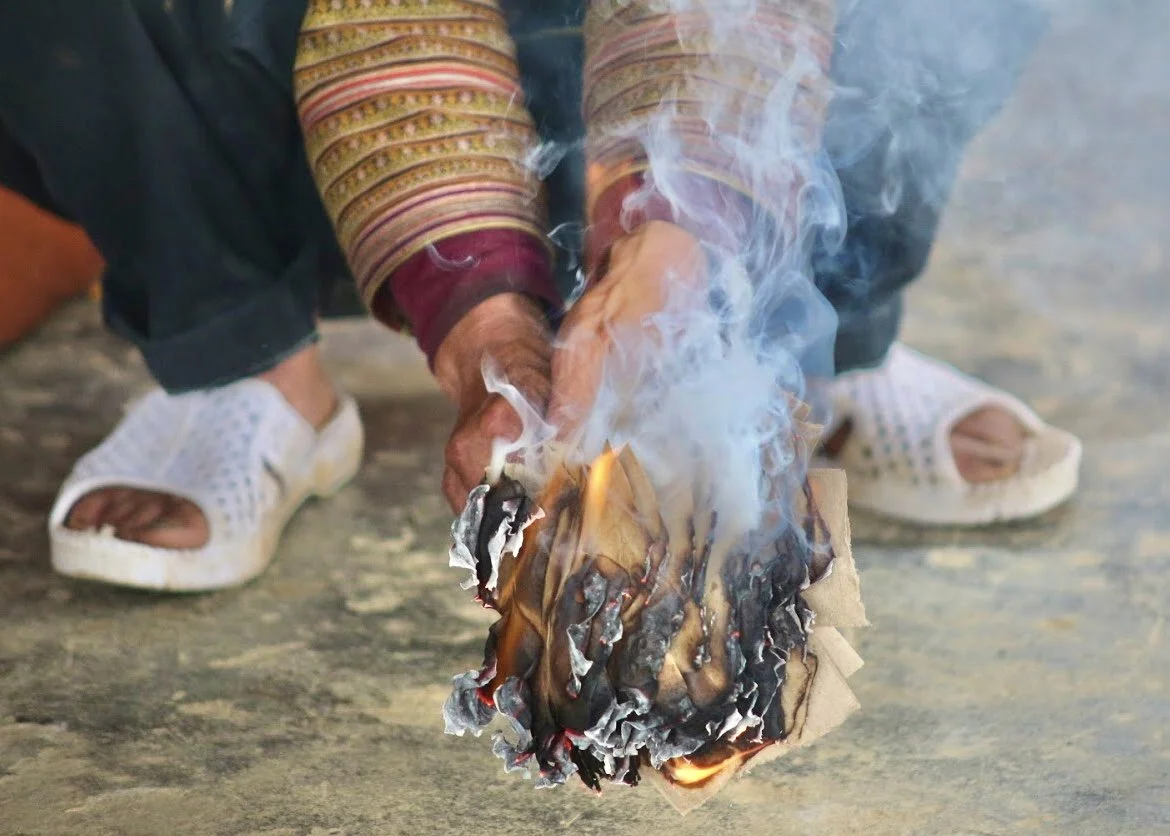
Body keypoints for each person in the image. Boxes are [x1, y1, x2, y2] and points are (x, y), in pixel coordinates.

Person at [0, 0, 1081, 592]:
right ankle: (243, 355)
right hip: (276, 90)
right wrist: (485, 326)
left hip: (653, 86)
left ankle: (825, 335)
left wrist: (679, 221)